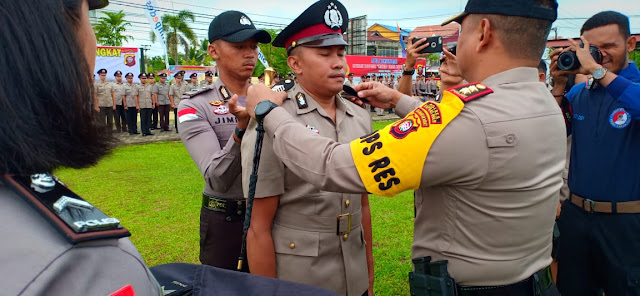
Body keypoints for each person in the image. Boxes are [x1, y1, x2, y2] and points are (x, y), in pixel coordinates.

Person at [244, 0, 564, 294]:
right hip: (535, 282)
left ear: (482, 33)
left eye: (459, 31)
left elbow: (334, 165)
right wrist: (397, 99)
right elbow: (459, 129)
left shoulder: (468, 118)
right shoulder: (544, 104)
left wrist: (268, 113)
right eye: (325, 53)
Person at [241, 1, 374, 295]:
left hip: (353, 273)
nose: (338, 62)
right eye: (325, 54)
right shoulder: (273, 118)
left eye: (341, 53)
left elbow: (362, 206)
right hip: (301, 278)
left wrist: (368, 278)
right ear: (295, 64)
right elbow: (258, 227)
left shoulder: (359, 116)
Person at [549, 10, 640, 296]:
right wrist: (560, 84)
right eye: (591, 49)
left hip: (626, 223)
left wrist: (599, 72)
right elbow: (552, 132)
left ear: (631, 44)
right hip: (577, 217)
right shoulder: (580, 93)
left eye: (609, 46)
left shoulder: (633, 89)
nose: (599, 55)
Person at [177, 10, 271, 271]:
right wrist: (241, 129)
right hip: (227, 220)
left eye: (253, 46)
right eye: (239, 46)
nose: (250, 54)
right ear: (213, 51)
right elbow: (216, 177)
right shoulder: (195, 105)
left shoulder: (273, 98)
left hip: (275, 215)